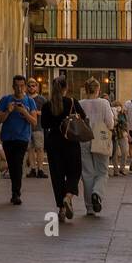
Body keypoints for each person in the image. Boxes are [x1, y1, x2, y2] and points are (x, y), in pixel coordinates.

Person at [41, 75, 85, 222]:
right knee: (75, 171)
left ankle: (61, 208)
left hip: (54, 143)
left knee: (57, 176)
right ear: (66, 88)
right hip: (71, 142)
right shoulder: (72, 102)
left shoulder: (47, 105)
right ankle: (68, 196)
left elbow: (44, 125)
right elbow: (83, 118)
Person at [0, 76, 38, 204]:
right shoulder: (6, 100)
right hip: (8, 138)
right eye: (17, 86)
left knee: (17, 164)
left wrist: (24, 112)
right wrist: (8, 111)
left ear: (25, 86)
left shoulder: (30, 102)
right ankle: (15, 191)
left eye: (22, 86)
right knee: (12, 164)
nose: (19, 89)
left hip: (22, 138)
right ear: (13, 87)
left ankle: (16, 193)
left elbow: (34, 122)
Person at [78, 77, 114, 214]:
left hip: (84, 138)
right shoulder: (104, 103)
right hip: (101, 135)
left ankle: (89, 208)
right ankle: (97, 193)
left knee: (87, 173)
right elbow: (110, 123)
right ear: (98, 89)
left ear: (85, 90)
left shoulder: (80, 103)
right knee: (102, 171)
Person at [26, 77, 47, 179]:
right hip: (26, 128)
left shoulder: (42, 99)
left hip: (38, 127)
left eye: (33, 85)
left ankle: (41, 169)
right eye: (29, 85)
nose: (31, 87)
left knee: (39, 149)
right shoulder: (25, 98)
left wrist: (37, 112)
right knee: (30, 149)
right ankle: (33, 169)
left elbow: (48, 112)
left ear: (37, 87)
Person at [111, 103, 129, 176]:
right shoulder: (111, 113)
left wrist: (128, 134)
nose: (118, 108)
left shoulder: (123, 114)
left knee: (125, 151)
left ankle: (122, 168)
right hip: (114, 134)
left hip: (122, 134)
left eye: (119, 106)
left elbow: (126, 124)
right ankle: (115, 170)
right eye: (116, 106)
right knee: (114, 153)